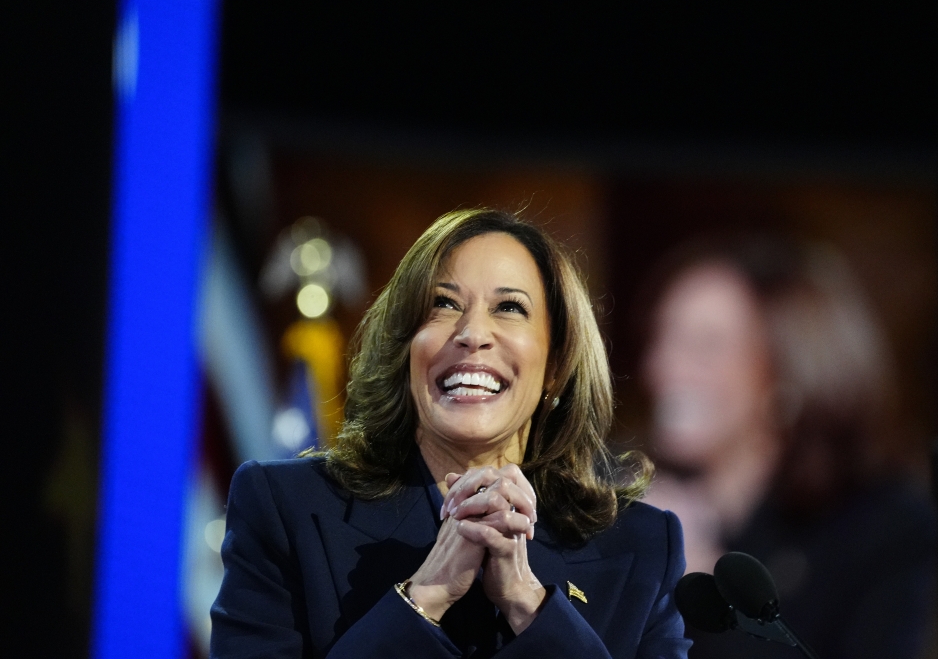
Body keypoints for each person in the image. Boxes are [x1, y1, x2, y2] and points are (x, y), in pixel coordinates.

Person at [210, 208, 692, 658]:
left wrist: (529, 605)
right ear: (405, 349)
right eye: (443, 304)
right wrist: (426, 595)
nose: (472, 332)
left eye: (509, 308)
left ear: (556, 367)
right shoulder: (287, 510)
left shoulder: (642, 548)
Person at [639, 235, 936, 659]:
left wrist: (706, 594)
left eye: (705, 345)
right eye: (662, 336)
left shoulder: (879, 524)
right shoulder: (635, 506)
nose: (663, 367)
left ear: (787, 368)